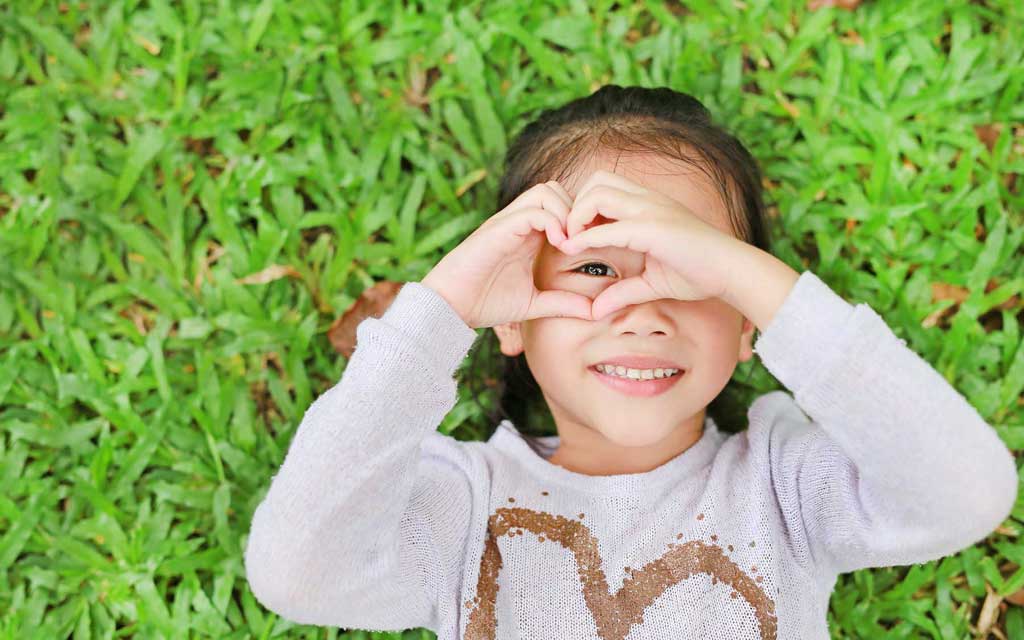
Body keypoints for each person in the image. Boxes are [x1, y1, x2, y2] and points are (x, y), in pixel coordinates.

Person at [242, 85, 1017, 639]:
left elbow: (964, 491)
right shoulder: (458, 507)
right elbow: (298, 572)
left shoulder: (785, 488)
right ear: (513, 314)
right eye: (593, 269)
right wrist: (440, 313)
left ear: (751, 323)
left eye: (690, 271)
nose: (641, 312)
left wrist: (764, 287)